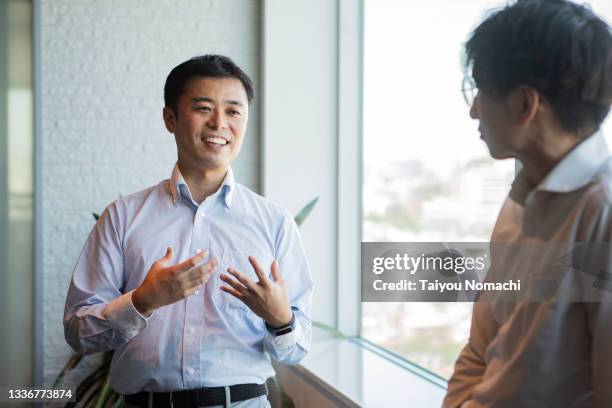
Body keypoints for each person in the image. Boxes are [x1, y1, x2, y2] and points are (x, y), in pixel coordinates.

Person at [63, 55, 314, 408]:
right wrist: (142, 300)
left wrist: (281, 318)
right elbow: (78, 332)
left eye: (233, 111)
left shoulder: (275, 222)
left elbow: (297, 349)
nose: (219, 123)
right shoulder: (122, 217)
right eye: (203, 108)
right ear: (171, 118)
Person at [444, 1, 612, 407]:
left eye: (480, 91)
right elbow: (482, 347)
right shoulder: (518, 203)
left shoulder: (602, 213)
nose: (472, 111)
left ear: (525, 104)